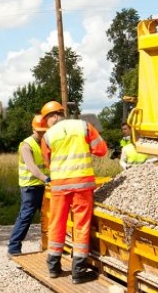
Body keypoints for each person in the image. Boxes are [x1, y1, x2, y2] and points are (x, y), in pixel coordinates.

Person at [40, 100, 108, 281]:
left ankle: (53, 267)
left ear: (53, 116)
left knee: (57, 223)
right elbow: (101, 150)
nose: (45, 124)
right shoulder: (84, 126)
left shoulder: (48, 136)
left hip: (59, 186)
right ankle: (78, 271)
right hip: (82, 184)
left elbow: (47, 163)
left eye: (45, 120)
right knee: (81, 225)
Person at [7, 114, 50, 256]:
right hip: (30, 187)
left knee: (49, 216)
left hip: (43, 186)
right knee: (26, 216)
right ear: (33, 129)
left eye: (44, 131)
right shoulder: (26, 146)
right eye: (40, 131)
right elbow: (33, 168)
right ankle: (13, 248)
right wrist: (47, 179)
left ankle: (49, 246)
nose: (42, 133)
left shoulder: (44, 144)